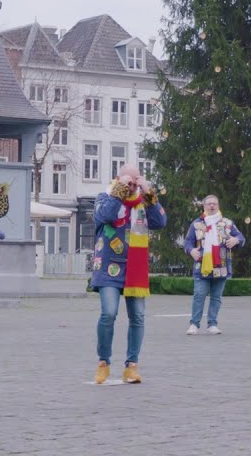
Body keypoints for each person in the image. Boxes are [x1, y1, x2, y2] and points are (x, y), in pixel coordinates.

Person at [90, 164, 167, 384]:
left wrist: (149, 193)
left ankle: (131, 366)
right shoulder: (104, 197)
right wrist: (120, 191)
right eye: (128, 183)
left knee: (138, 317)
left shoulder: (142, 202)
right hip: (108, 267)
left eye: (135, 183)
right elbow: (105, 215)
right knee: (109, 313)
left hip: (135, 268)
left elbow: (160, 222)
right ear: (118, 180)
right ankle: (103, 362)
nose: (132, 187)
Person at [184, 194, 244, 335]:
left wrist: (235, 240)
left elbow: (241, 237)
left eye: (214, 204)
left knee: (216, 297)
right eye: (209, 204)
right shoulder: (196, 224)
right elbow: (187, 242)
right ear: (204, 206)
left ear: (218, 206)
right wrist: (191, 250)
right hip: (202, 267)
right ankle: (194, 324)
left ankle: (212, 324)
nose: (212, 206)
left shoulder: (227, 223)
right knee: (199, 294)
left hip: (221, 266)